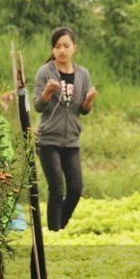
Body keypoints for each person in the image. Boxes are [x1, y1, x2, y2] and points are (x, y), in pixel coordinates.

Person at [33, 26, 97, 232]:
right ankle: (54, 233)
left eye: (66, 46)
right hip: (47, 139)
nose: (62, 50)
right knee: (56, 189)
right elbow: (38, 106)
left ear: (74, 48)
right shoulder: (45, 72)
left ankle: (59, 227)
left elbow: (83, 110)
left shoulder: (83, 74)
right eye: (57, 46)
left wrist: (88, 101)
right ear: (52, 50)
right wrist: (47, 92)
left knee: (76, 189)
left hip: (71, 139)